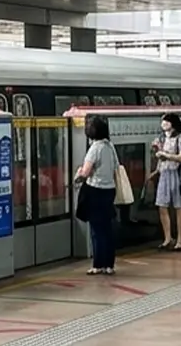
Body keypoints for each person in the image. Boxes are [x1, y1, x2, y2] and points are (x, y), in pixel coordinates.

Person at [74, 114, 118, 275]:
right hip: (109, 190)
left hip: (95, 190)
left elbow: (85, 172)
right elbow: (115, 168)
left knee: (96, 230)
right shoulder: (109, 146)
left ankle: (98, 264)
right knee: (107, 229)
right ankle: (109, 265)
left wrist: (78, 174)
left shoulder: (95, 148)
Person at [152, 113, 181, 251]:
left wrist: (165, 155)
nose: (163, 124)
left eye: (166, 121)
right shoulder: (161, 138)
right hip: (164, 173)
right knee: (162, 206)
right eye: (163, 121)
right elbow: (160, 158)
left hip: (176, 173)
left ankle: (180, 240)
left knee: (179, 207)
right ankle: (167, 238)